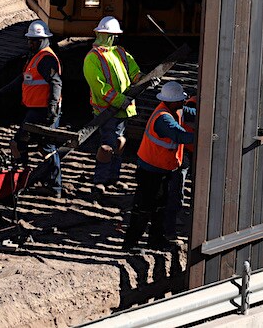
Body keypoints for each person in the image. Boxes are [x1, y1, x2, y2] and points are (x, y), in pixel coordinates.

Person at [0, 20, 63, 198]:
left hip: (43, 111)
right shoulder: (36, 57)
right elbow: (24, 79)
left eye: (35, 40)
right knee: (28, 144)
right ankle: (32, 179)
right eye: (30, 40)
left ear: (45, 40)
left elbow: (56, 82)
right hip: (35, 110)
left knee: (42, 147)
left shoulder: (46, 58)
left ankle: (49, 185)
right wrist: (2, 92)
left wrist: (52, 107)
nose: (31, 43)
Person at [122, 81, 195, 251]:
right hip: (150, 171)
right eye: (180, 100)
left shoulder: (175, 109)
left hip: (163, 169)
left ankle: (155, 241)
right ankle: (130, 245)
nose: (183, 102)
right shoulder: (163, 118)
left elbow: (192, 112)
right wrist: (204, 134)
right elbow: (180, 135)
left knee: (160, 208)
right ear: (172, 101)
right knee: (143, 209)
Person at [82, 16, 143, 197]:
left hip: (121, 109)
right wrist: (119, 101)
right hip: (106, 111)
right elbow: (100, 88)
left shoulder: (121, 53)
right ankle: (100, 180)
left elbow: (134, 72)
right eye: (109, 35)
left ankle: (113, 178)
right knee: (107, 146)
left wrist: (143, 79)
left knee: (119, 143)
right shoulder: (93, 58)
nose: (111, 38)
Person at [164, 94, 196, 240]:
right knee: (176, 189)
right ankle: (171, 226)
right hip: (186, 153)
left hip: (190, 151)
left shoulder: (192, 104)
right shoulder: (193, 104)